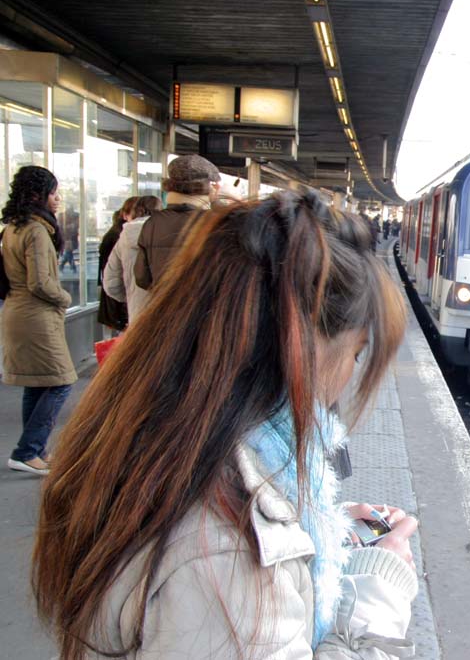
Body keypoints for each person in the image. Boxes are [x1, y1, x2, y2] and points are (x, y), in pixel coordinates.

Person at [33, 191, 417, 658]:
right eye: (357, 353)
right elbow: (231, 581)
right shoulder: (226, 552)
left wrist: (305, 528)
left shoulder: (151, 429)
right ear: (301, 347)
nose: (352, 372)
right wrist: (380, 591)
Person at [1, 166, 77, 476]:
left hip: (19, 312)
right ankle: (27, 450)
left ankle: (35, 449)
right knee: (62, 382)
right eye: (54, 193)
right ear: (38, 195)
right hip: (37, 316)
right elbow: (41, 283)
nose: (58, 199)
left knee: (37, 385)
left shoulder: (12, 228)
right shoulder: (36, 230)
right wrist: (65, 298)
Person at [134, 154, 221, 292]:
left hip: (165, 309)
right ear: (208, 187)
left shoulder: (152, 223)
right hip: (207, 310)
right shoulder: (216, 223)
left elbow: (142, 278)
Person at [102, 195, 161, 323]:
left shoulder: (124, 238)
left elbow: (111, 284)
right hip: (169, 316)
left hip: (137, 316)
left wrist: (131, 295)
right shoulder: (169, 233)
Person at [96, 199, 134, 331]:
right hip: (118, 304)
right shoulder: (121, 237)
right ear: (125, 215)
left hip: (116, 302)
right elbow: (116, 275)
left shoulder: (117, 233)